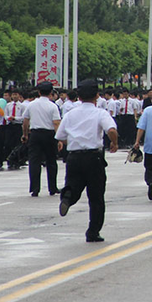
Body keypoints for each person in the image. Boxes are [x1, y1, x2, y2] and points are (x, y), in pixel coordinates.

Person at [56, 80, 118, 243]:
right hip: (93, 157)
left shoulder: (70, 114)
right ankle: (93, 232)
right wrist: (114, 142)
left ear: (79, 96)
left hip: (74, 157)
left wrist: (75, 142)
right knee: (96, 196)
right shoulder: (100, 113)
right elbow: (111, 130)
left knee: (73, 185)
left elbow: (61, 136)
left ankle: (68, 198)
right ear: (97, 95)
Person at [22, 82, 62, 197]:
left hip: (35, 134)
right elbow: (56, 123)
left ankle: (35, 188)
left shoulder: (31, 105)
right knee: (51, 161)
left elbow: (25, 121)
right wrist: (59, 138)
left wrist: (25, 134)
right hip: (49, 135)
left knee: (34, 161)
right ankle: (52, 187)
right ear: (51, 93)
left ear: (39, 92)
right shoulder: (53, 106)